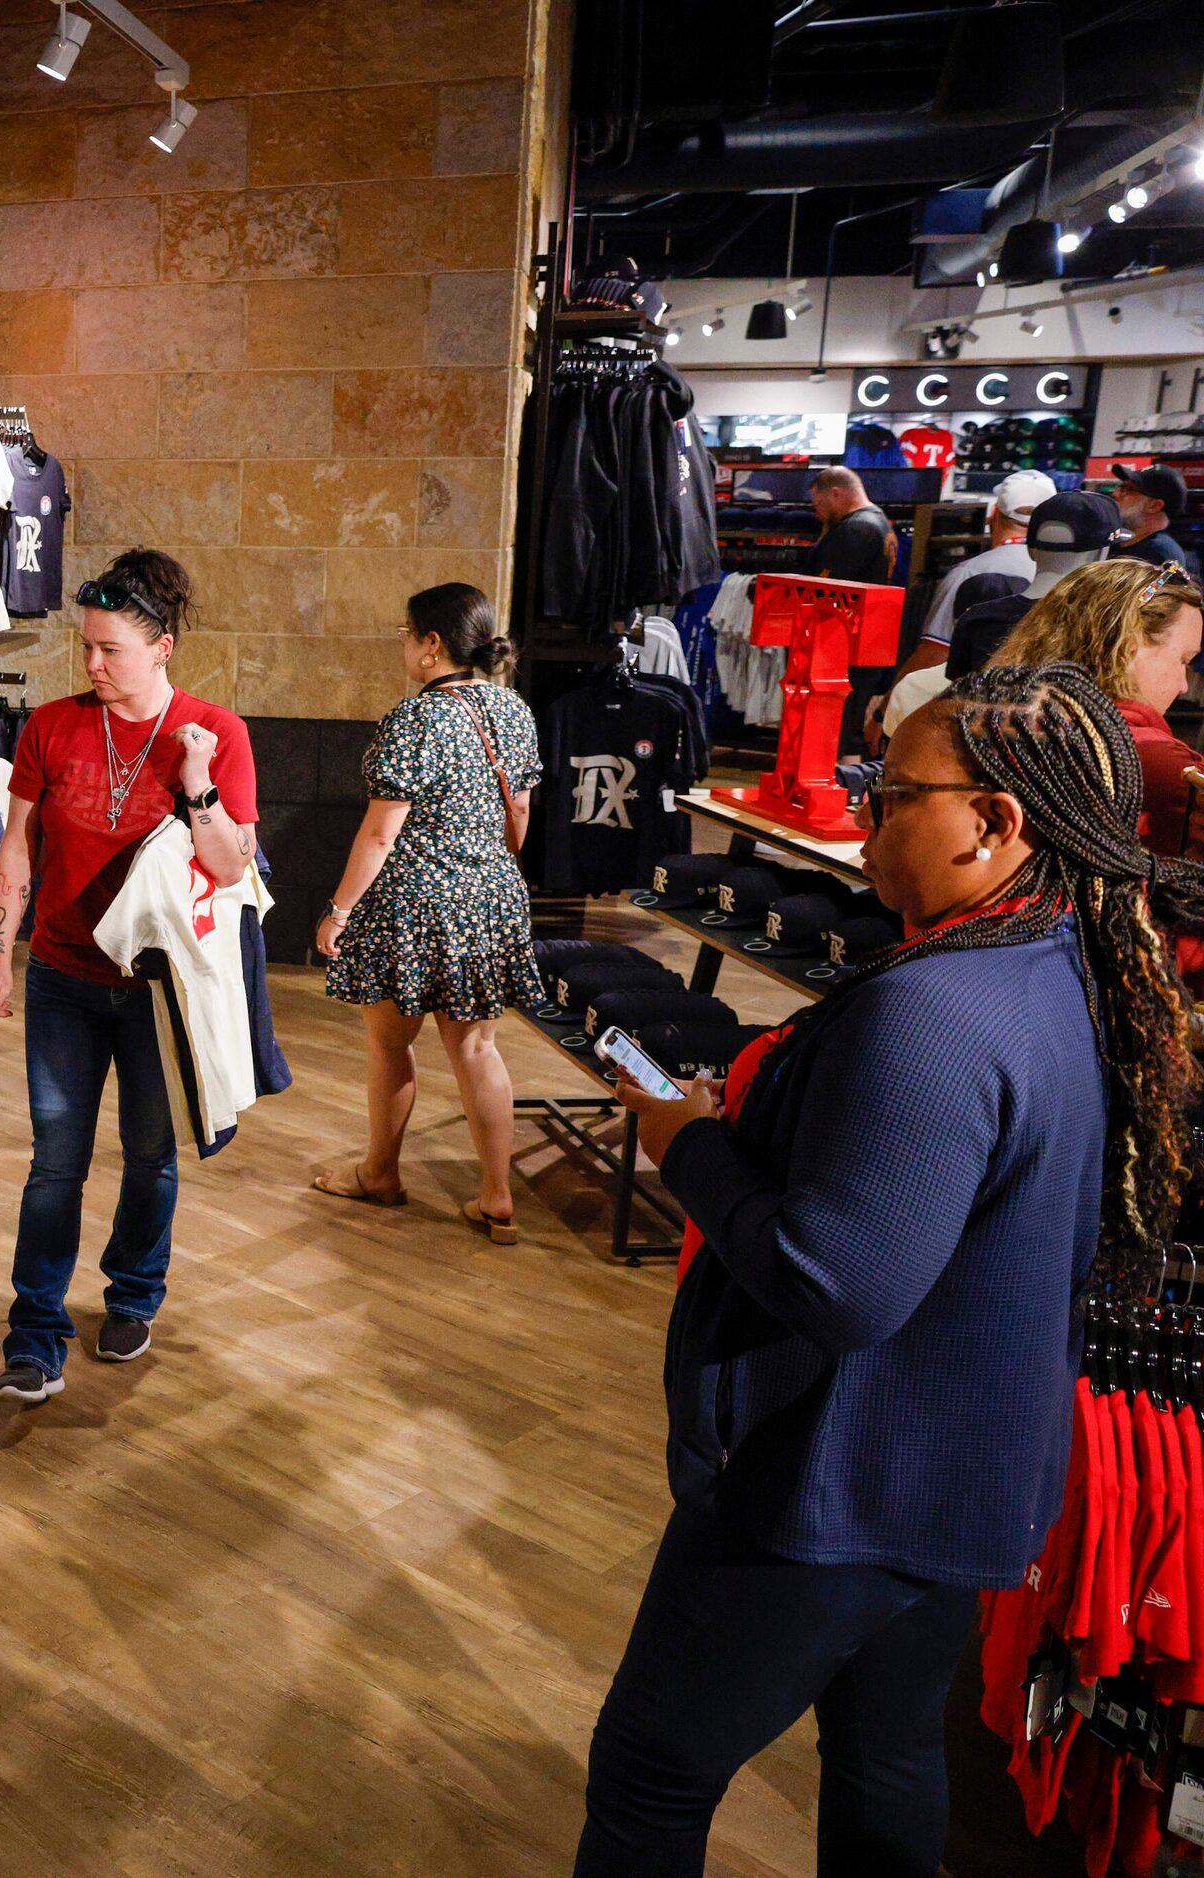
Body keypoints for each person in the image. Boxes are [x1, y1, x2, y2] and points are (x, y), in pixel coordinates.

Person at [576, 662, 1203, 1877]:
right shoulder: (1055, 957)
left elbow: (833, 1283)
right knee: (885, 1758)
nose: (862, 818)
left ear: (993, 822)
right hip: (956, 1469)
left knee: (649, 1775)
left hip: (835, 1484)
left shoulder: (936, 1013)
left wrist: (686, 1141)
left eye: (890, 793)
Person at [0, 548, 258, 1404]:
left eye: (112, 651)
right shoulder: (53, 727)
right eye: (87, 648)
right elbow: (17, 843)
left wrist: (198, 780)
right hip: (62, 974)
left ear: (162, 647)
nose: (92, 666)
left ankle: (134, 1293)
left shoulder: (217, 731)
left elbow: (230, 867)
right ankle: (34, 1337)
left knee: (149, 1153)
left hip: (156, 991)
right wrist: (0, 954)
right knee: (54, 1161)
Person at [312, 583, 541, 1243]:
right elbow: (518, 816)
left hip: (414, 904)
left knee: (390, 1043)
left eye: (407, 632)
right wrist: (484, 865)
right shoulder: (512, 709)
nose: (404, 645)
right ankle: (497, 1198)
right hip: (491, 897)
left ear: (431, 643)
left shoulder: (414, 719)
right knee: (477, 1048)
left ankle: (379, 1174)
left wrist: (339, 909)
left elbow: (381, 835)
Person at [997, 555, 1204, 860]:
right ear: (1129, 647)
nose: (1183, 685)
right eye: (1183, 661)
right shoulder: (1163, 763)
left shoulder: (989, 722)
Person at [870, 468, 1053, 730]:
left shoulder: (971, 572)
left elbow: (933, 654)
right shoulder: (1068, 575)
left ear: (994, 515)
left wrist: (884, 711)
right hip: (1037, 716)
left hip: (964, 717)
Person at [803, 466, 896, 583]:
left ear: (835, 493)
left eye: (817, 504)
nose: (817, 512)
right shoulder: (880, 519)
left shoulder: (854, 529)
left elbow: (824, 588)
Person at [1113, 464, 1199, 577]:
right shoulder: (1110, 539)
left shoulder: (1163, 559)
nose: (1115, 494)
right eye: (1120, 487)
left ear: (1154, 506)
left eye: (1128, 489)